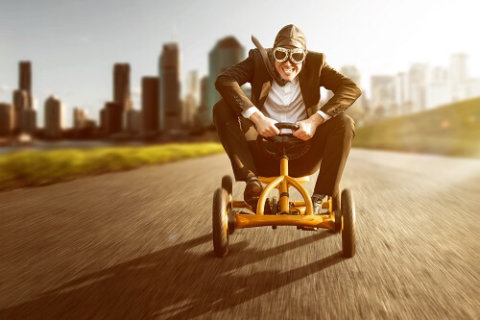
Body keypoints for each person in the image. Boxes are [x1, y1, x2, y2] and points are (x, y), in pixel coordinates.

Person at [213, 24, 361, 213]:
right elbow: (224, 80)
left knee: (345, 122)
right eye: (281, 55)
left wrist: (314, 121)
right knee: (222, 108)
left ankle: (320, 196)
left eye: (297, 56)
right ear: (273, 53)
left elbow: (351, 88)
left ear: (305, 57)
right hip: (262, 153)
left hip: (304, 153)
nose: (288, 64)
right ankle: (252, 182)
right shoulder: (258, 60)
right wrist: (258, 118)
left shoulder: (317, 63)